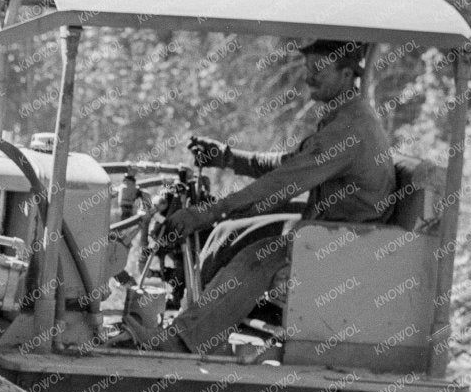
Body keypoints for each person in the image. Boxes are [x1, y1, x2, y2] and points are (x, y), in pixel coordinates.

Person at [149, 38, 395, 356]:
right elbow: (291, 165)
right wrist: (227, 157)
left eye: (319, 69)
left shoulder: (348, 129)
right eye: (308, 68)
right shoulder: (344, 115)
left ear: (347, 75)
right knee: (231, 232)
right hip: (331, 231)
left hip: (350, 244)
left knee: (260, 258)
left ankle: (184, 341)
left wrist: (207, 213)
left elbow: (281, 184)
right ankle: (199, 323)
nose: (309, 77)